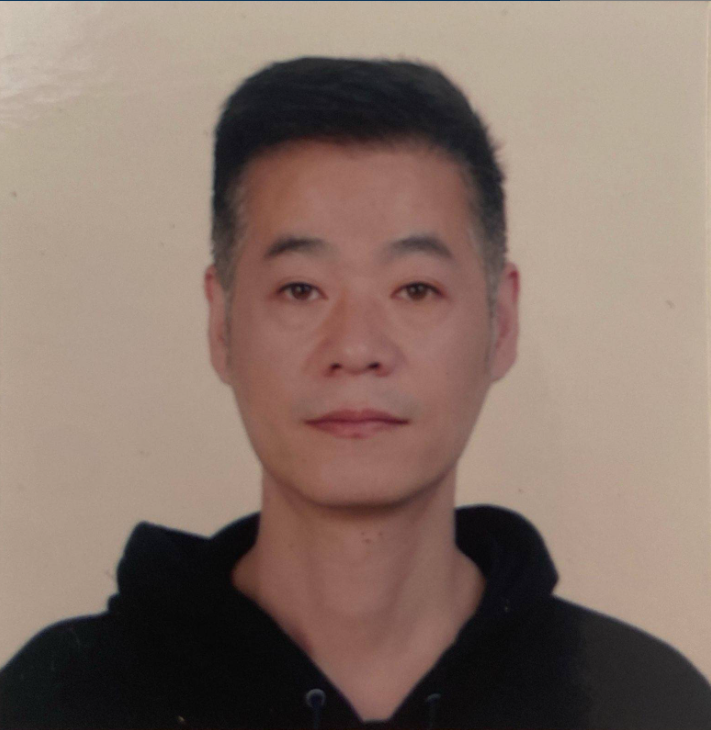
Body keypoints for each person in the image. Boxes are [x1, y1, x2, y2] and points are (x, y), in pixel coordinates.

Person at [1, 56, 709, 730]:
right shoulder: (56, 699)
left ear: (501, 323)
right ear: (221, 324)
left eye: (415, 289)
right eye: (300, 289)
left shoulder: (647, 702)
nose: (357, 348)